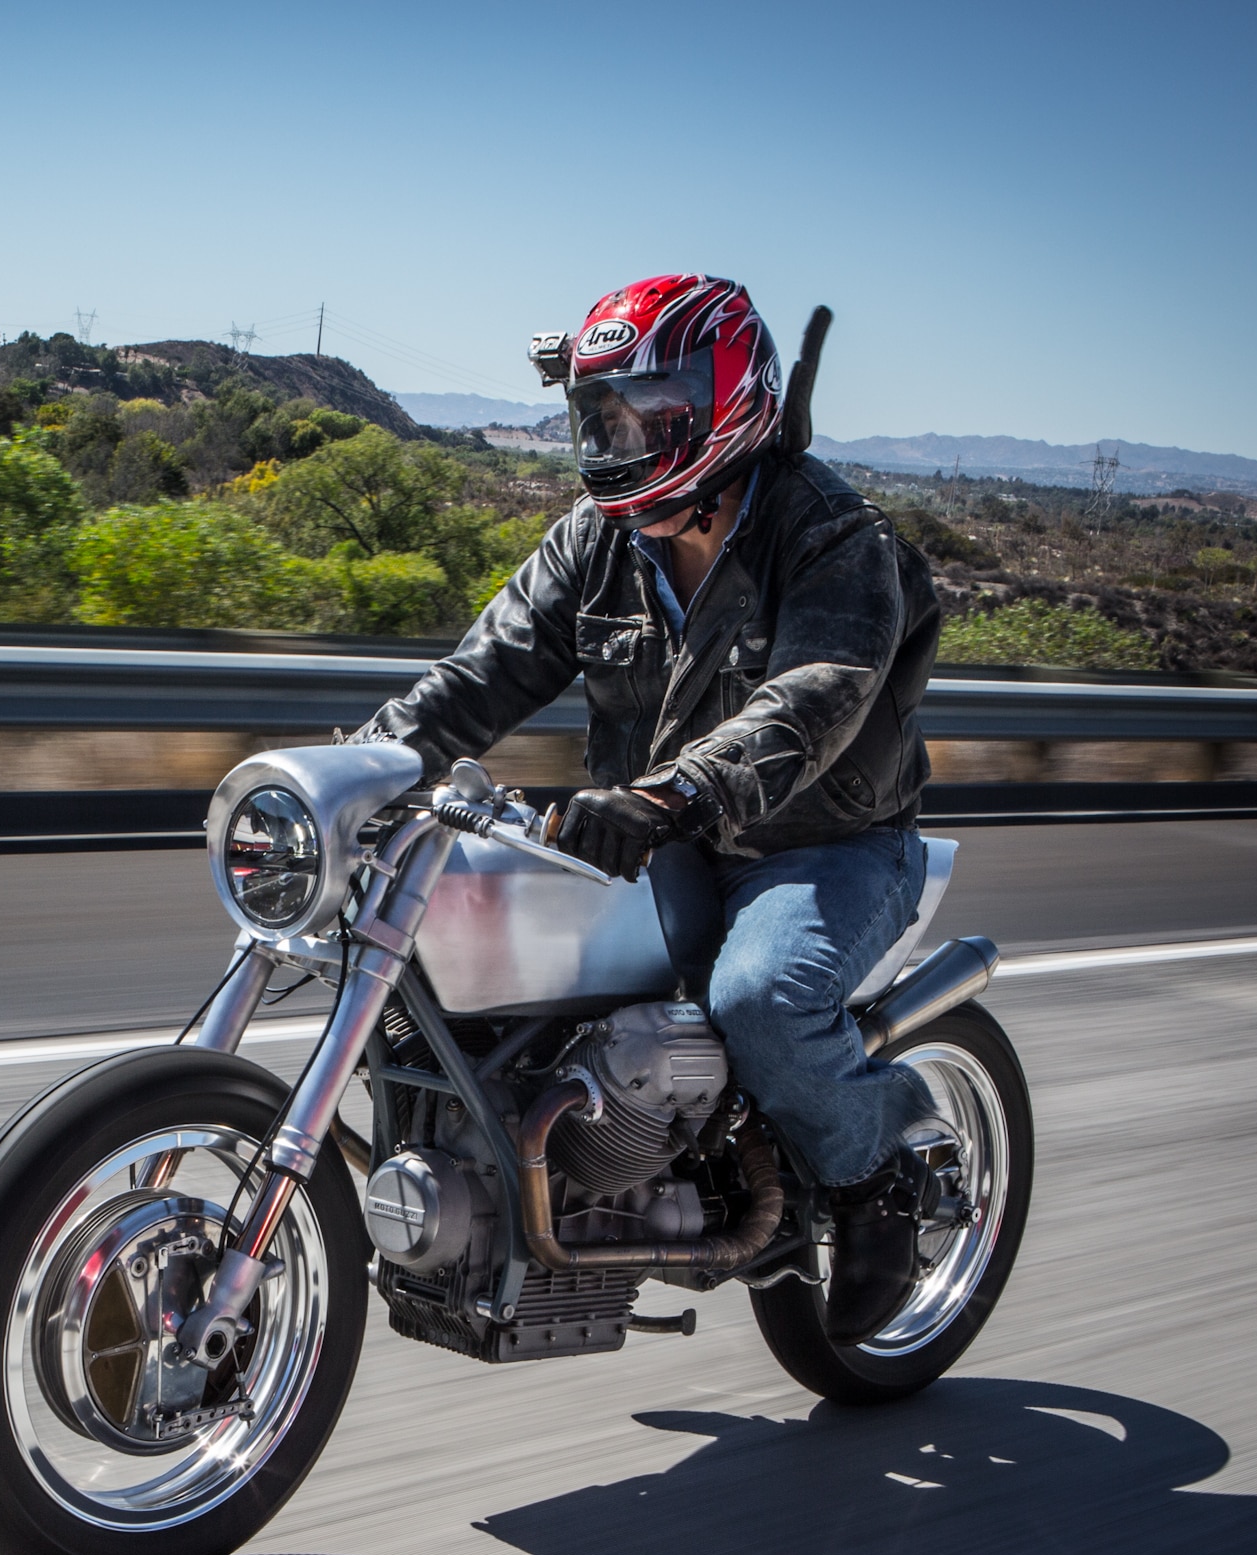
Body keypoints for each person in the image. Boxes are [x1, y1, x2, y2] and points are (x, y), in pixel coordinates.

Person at [355, 273, 948, 1341]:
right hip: (655, 837)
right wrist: (346, 771)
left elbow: (809, 704)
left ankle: (876, 1181)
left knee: (762, 998)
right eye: (604, 415)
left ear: (726, 404)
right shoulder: (596, 544)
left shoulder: (833, 538)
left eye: (651, 414)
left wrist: (671, 792)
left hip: (823, 845)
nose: (622, 437)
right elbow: (475, 679)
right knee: (447, 943)